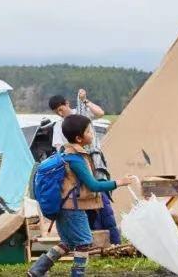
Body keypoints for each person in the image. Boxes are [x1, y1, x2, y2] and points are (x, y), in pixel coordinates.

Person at [28, 115, 134, 277]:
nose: (92, 134)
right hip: (72, 209)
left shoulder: (65, 153)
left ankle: (37, 269)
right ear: (79, 138)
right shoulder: (76, 159)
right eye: (89, 131)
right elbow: (94, 185)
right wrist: (120, 182)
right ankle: (77, 274)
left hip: (63, 207)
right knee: (84, 243)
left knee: (68, 243)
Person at [48, 91, 118, 243]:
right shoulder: (61, 129)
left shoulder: (81, 116)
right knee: (96, 209)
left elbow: (100, 113)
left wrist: (84, 101)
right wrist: (120, 182)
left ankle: (109, 241)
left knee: (101, 208)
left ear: (67, 103)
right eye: (57, 112)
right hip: (79, 178)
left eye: (61, 109)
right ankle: (103, 242)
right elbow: (60, 150)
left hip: (94, 167)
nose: (60, 114)